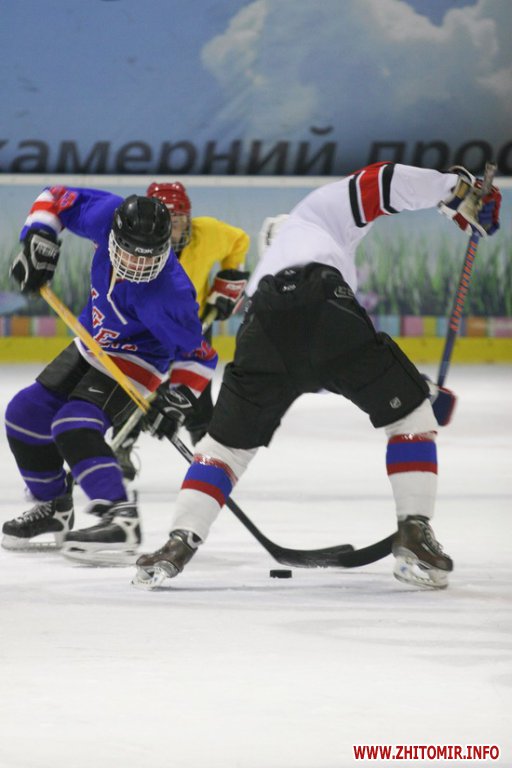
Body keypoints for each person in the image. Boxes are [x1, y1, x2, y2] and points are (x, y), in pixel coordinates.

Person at [131, 162, 501, 591]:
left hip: (261, 326)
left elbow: (305, 367)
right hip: (325, 305)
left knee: (224, 449)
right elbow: (383, 182)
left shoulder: (264, 272)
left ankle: (178, 544)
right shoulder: (315, 213)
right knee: (410, 419)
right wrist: (457, 190)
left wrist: (415, 388)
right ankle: (414, 535)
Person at [2, 186, 217, 564]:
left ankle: (121, 517)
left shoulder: (170, 292)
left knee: (73, 425)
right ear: (114, 235)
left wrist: (176, 399)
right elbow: (56, 197)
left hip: (138, 359)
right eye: (130, 252)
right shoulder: (107, 215)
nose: (137, 264)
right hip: (91, 341)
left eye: (148, 256)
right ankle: (54, 507)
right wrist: (39, 240)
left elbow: (199, 355)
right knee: (24, 415)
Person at [113, 181, 250, 480]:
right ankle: (121, 446)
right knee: (134, 388)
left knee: (197, 399)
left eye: (180, 220)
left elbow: (239, 241)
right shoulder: (138, 246)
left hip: (191, 328)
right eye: (169, 221)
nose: (176, 228)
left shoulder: (208, 233)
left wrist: (230, 279)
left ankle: (208, 456)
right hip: (147, 329)